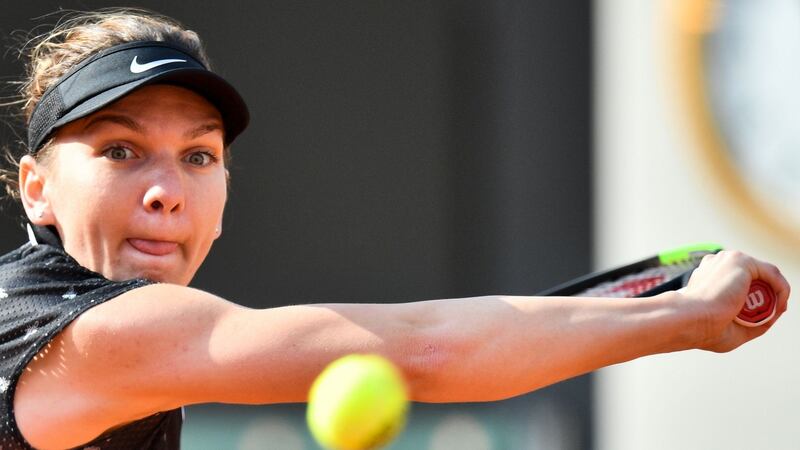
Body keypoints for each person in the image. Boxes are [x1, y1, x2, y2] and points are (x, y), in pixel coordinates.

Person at [0, 8, 789, 450]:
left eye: (200, 156)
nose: (168, 190)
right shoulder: (101, 330)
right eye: (121, 150)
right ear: (37, 190)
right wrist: (683, 317)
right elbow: (430, 351)